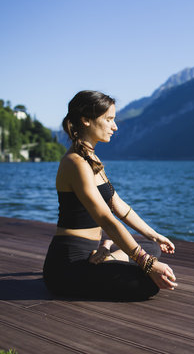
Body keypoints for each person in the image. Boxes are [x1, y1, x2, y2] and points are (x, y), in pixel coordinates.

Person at [43, 90, 178, 300]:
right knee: (147, 283)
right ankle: (107, 255)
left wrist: (154, 234)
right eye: (109, 119)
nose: (114, 126)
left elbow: (118, 205)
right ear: (86, 120)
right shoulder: (75, 163)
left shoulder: (92, 159)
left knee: (151, 246)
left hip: (92, 254)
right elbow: (106, 218)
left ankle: (106, 250)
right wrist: (148, 264)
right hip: (69, 265)